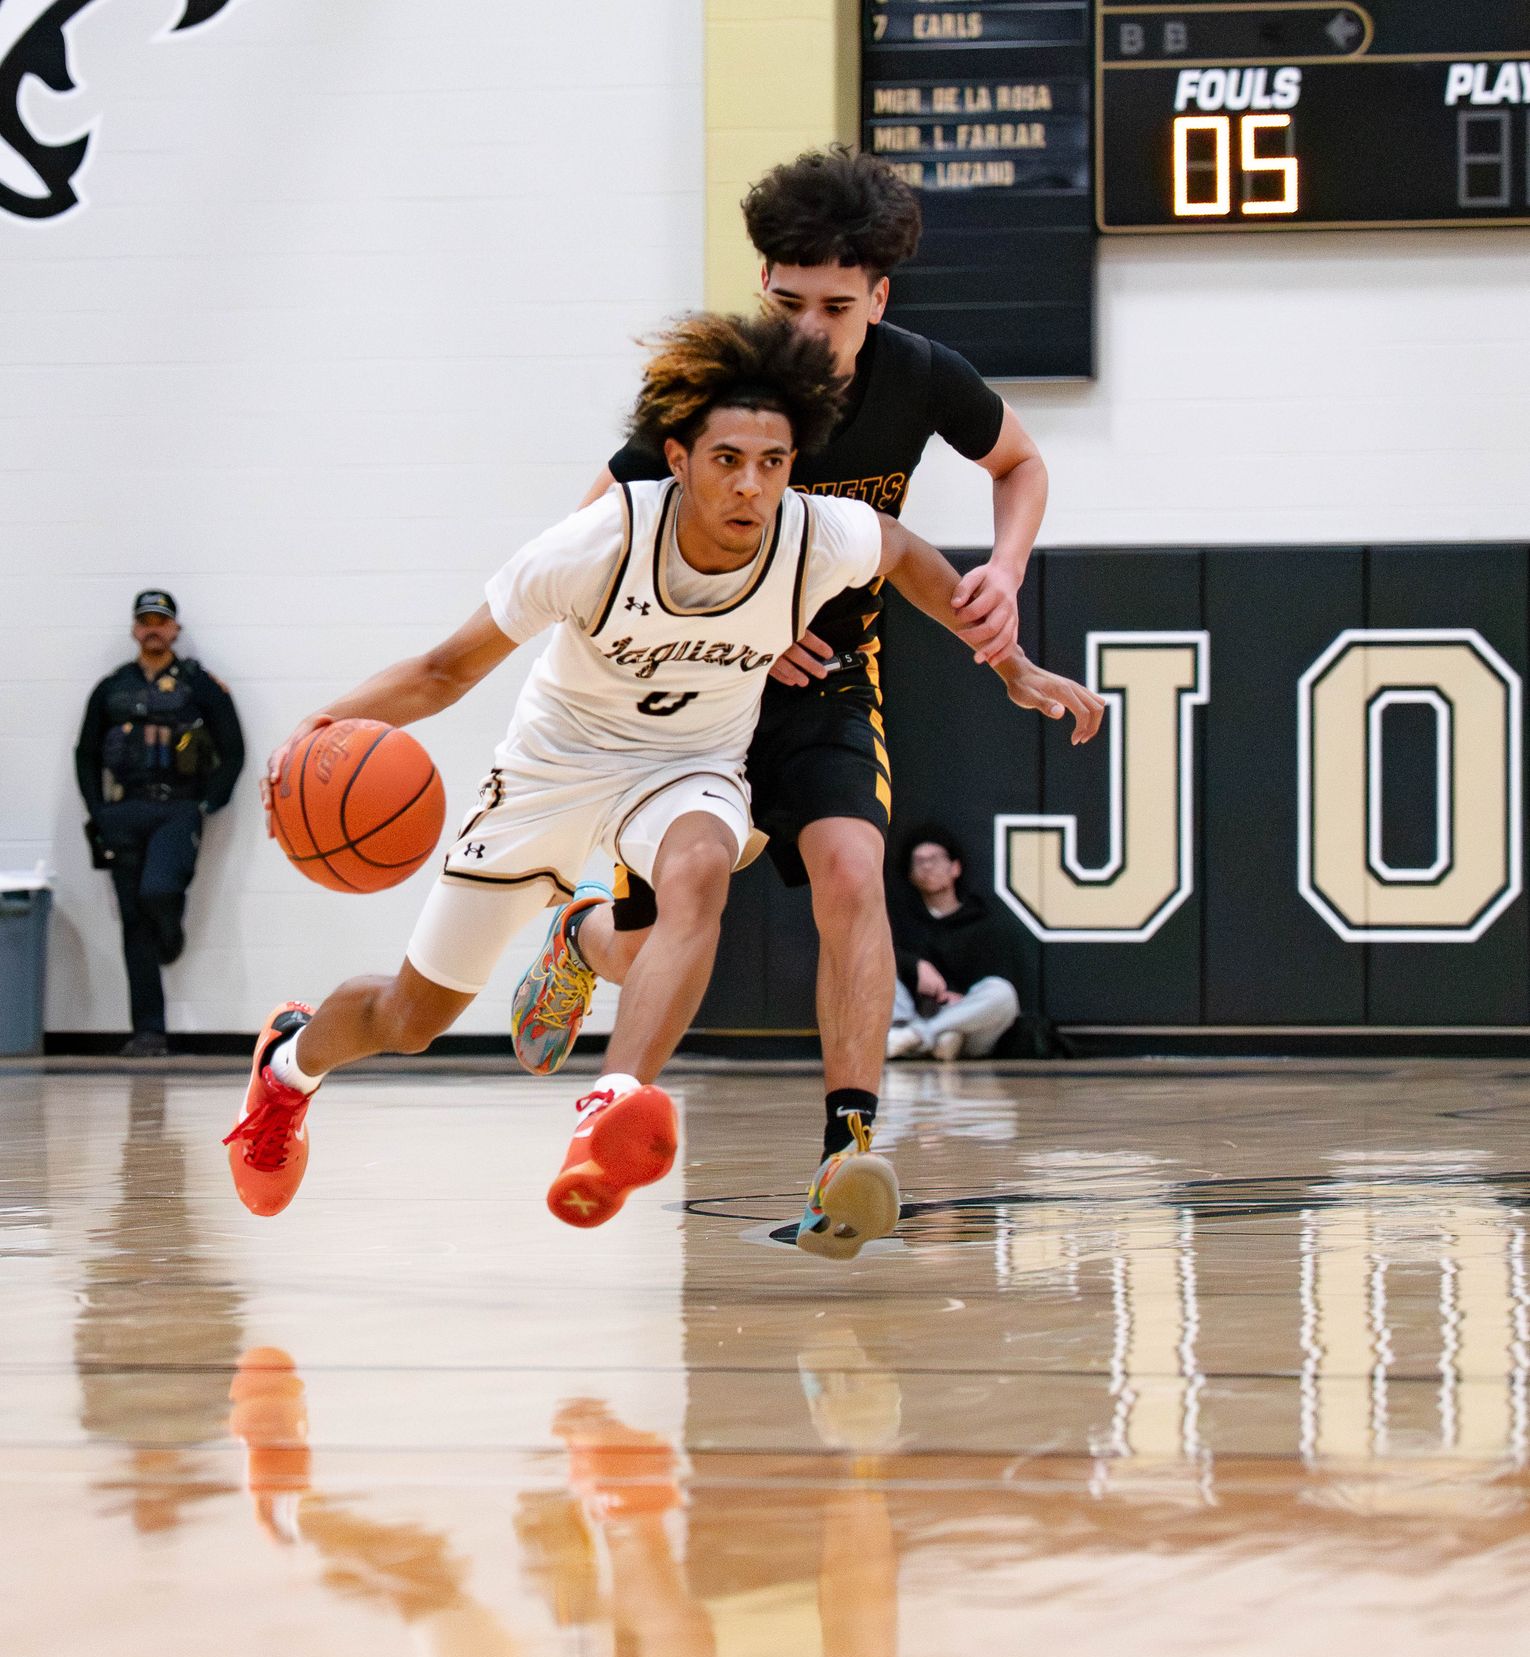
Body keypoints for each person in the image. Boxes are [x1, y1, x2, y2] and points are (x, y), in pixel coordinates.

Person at [229, 312, 1096, 1241]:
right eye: (728, 460)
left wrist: (1013, 666)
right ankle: (288, 1065)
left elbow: (912, 559)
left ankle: (611, 1104)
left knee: (700, 871)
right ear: (677, 459)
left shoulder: (817, 536)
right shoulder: (594, 545)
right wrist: (319, 727)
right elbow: (444, 671)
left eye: (773, 462)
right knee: (411, 1017)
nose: (752, 484)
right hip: (554, 768)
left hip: (688, 768)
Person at [508, 146, 1100, 1247]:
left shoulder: (921, 376)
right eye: (788, 304)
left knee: (852, 871)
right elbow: (593, 537)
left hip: (832, 680)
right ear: (762, 290)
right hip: (698, 693)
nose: (810, 330)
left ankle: (848, 1152)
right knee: (655, 938)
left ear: (879, 299)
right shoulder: (722, 387)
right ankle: (582, 941)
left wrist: (1007, 578)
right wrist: (727, 620)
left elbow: (1020, 464)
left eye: (836, 306)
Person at [74, 589, 244, 1055]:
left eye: (161, 622)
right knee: (133, 923)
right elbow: (86, 754)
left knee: (158, 890)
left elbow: (232, 749)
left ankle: (171, 932)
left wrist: (209, 803)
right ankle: (148, 1031)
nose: (153, 629)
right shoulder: (112, 688)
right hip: (124, 810)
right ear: (135, 629)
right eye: (145, 621)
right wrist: (97, 810)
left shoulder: (198, 685)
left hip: (178, 807)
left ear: (175, 630)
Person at [886, 826, 1030, 1062]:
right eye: (919, 861)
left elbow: (999, 982)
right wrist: (916, 965)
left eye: (934, 859)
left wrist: (960, 999)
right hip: (915, 1015)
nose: (927, 867)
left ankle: (922, 1036)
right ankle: (934, 1038)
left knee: (1002, 993)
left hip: (968, 1025)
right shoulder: (903, 920)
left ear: (955, 868)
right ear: (910, 874)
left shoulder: (982, 921)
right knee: (881, 967)